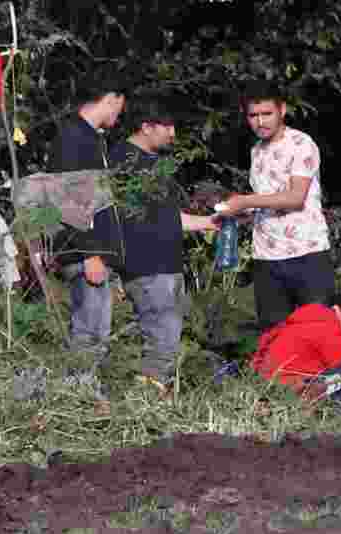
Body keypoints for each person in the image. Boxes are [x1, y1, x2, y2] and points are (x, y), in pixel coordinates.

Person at [107, 102, 218, 395]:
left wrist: (209, 222)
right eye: (166, 126)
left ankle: (154, 399)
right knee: (160, 342)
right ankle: (143, 405)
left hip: (166, 265)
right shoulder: (124, 161)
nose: (173, 133)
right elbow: (122, 219)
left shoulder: (152, 162)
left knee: (166, 341)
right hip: (147, 265)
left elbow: (167, 218)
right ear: (145, 127)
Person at [216, 84, 336, 334]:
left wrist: (246, 201)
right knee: (275, 337)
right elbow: (265, 201)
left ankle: (326, 375)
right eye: (253, 115)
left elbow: (295, 198)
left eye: (266, 113)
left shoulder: (301, 143)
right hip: (266, 256)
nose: (260, 122)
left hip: (307, 251)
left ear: (282, 110)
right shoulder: (257, 151)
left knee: (315, 333)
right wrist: (234, 212)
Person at [47, 74, 127, 389]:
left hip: (96, 252)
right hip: (84, 252)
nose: (120, 115)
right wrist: (90, 252)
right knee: (88, 333)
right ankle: (77, 395)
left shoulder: (92, 138)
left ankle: (88, 393)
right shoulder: (73, 138)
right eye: (120, 106)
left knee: (97, 334)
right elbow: (67, 200)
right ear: (111, 98)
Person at [249, 294, 341, 407]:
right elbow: (340, 363)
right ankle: (340, 408)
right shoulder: (329, 325)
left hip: (270, 388)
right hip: (295, 389)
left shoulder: (297, 324)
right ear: (336, 310)